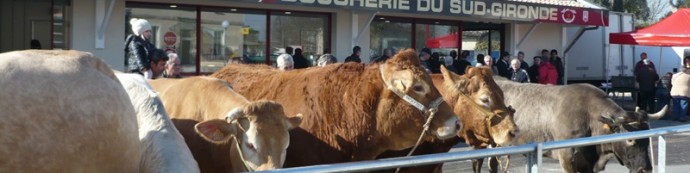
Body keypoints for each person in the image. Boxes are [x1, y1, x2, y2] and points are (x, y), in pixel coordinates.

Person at [670, 56, 690, 122]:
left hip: (675, 92)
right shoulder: (688, 76)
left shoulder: (674, 75)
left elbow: (672, 83)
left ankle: (675, 117)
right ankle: (682, 118)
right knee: (683, 105)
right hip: (684, 92)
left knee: (676, 105)